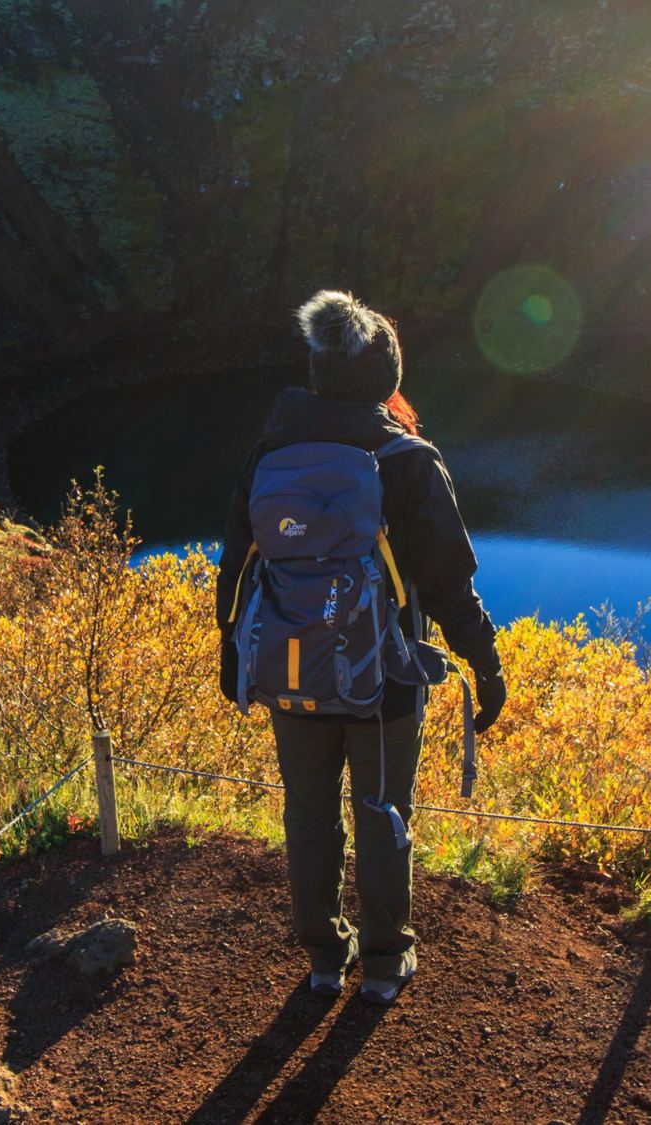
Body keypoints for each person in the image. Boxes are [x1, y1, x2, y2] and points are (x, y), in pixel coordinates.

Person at [216, 290, 507, 1006]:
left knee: (308, 813)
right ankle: (383, 964)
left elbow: (237, 564)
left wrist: (232, 652)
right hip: (387, 680)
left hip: (288, 668)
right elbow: (448, 585)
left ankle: (322, 958)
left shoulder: (270, 451)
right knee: (382, 813)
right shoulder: (408, 460)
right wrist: (486, 663)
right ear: (387, 378)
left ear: (317, 376)